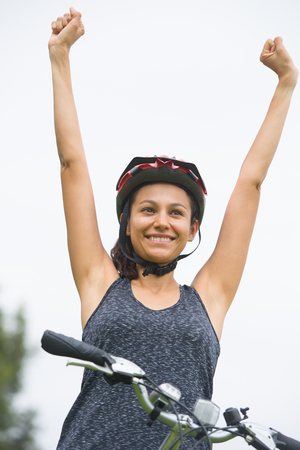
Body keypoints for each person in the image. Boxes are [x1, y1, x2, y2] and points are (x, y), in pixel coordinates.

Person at [48, 7, 298, 450]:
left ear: (192, 227)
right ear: (127, 224)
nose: (162, 221)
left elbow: (251, 184)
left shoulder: (210, 297)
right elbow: (72, 165)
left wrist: (286, 84)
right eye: (147, 210)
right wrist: (60, 56)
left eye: (176, 213)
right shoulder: (98, 283)